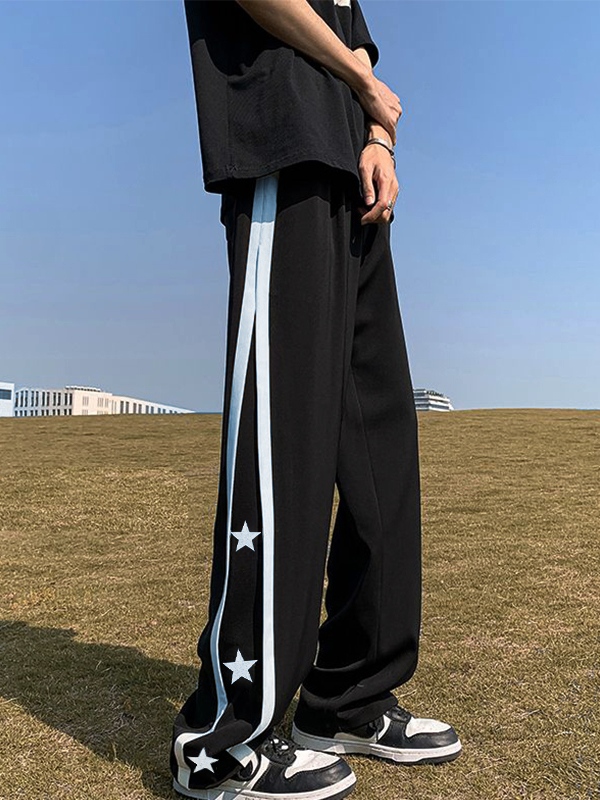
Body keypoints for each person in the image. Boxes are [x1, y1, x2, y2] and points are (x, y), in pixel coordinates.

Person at [171, 2, 462, 798]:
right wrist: (362, 84)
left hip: (349, 169)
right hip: (282, 147)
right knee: (282, 442)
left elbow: (358, 43)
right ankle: (226, 738)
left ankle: (349, 697)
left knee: (380, 441)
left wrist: (378, 137)